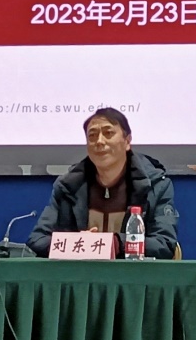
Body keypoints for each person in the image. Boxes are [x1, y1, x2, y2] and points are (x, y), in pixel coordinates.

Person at [28, 108, 179, 259]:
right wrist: (78, 243)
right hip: (80, 272)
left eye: (108, 133)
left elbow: (164, 243)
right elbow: (37, 240)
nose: (99, 141)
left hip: (133, 272)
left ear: (127, 141)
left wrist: (114, 243)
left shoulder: (155, 185)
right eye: (92, 136)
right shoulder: (68, 186)